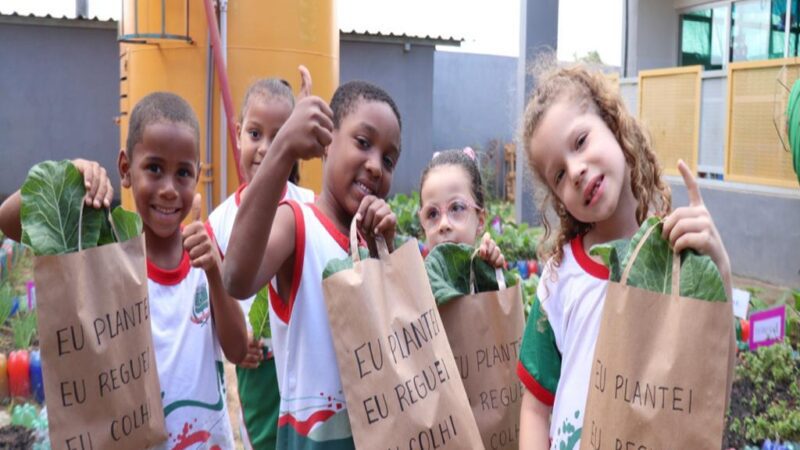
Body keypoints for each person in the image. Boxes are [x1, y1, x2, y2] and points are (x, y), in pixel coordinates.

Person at [516, 61, 732, 449]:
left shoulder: (679, 260)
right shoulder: (559, 278)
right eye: (559, 175)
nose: (576, 170)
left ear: (615, 127)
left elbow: (713, 387)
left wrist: (720, 268)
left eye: (580, 142)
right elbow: (535, 405)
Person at [223, 76, 402, 449]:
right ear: (327, 141)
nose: (374, 166)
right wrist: (283, 148)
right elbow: (237, 277)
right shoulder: (297, 223)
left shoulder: (374, 244)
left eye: (388, 159)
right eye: (363, 143)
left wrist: (389, 252)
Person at [207, 73, 314, 450]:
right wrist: (234, 343)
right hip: (258, 378)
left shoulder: (312, 207)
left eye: (280, 136)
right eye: (255, 134)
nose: (266, 148)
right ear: (237, 133)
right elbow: (213, 303)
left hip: (307, 366)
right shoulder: (218, 223)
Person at [418, 148, 504, 267]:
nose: (443, 224)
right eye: (432, 214)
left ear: (480, 220)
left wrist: (492, 274)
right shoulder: (416, 281)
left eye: (456, 208)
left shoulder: (490, 271)